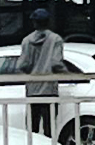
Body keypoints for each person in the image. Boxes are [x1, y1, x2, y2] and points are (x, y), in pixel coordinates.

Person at [15, 8, 65, 136]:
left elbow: (22, 65)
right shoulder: (56, 39)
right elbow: (56, 63)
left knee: (32, 130)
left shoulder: (27, 41)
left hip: (32, 91)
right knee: (49, 128)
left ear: (34, 23)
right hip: (49, 90)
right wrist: (68, 74)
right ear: (48, 22)